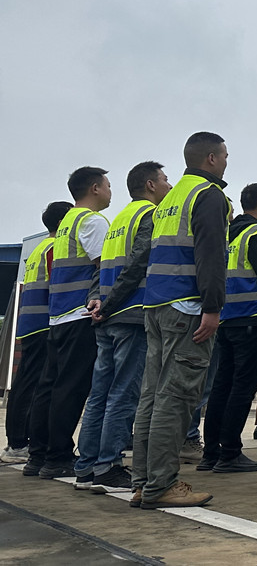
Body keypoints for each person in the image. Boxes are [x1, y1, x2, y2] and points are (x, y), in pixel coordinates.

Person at [131, 131, 232, 509]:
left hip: (156, 307)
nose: (226, 162)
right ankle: (161, 485)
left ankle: (144, 482)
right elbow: (211, 254)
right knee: (176, 399)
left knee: (152, 397)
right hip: (187, 309)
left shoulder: (169, 199)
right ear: (211, 158)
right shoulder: (208, 195)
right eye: (224, 156)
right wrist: (213, 307)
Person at [74, 162, 172, 493]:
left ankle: (86, 467)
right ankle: (108, 466)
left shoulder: (118, 219)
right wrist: (111, 302)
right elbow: (137, 264)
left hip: (106, 316)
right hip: (129, 316)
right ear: (150, 185)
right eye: (165, 179)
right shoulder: (149, 215)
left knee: (100, 393)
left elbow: (103, 266)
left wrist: (97, 300)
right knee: (123, 393)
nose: (169, 185)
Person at [27, 167, 112, 479]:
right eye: (107, 185)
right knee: (71, 389)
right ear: (94, 188)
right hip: (81, 313)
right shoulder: (92, 221)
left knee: (50, 386)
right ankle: (59, 456)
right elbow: (105, 267)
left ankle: (39, 455)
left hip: (59, 316)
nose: (110, 191)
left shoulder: (65, 225)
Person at [200, 183, 257, 473]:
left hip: (226, 318)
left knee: (222, 385)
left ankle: (212, 452)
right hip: (251, 318)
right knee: (243, 387)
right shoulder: (256, 234)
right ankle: (230, 452)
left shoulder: (230, 235)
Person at [1, 202, 72, 464]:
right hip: (44, 321)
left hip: (30, 321)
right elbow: (57, 283)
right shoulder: (54, 247)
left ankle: (17, 441)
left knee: (25, 381)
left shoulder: (38, 249)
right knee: (33, 384)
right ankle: (19, 443)